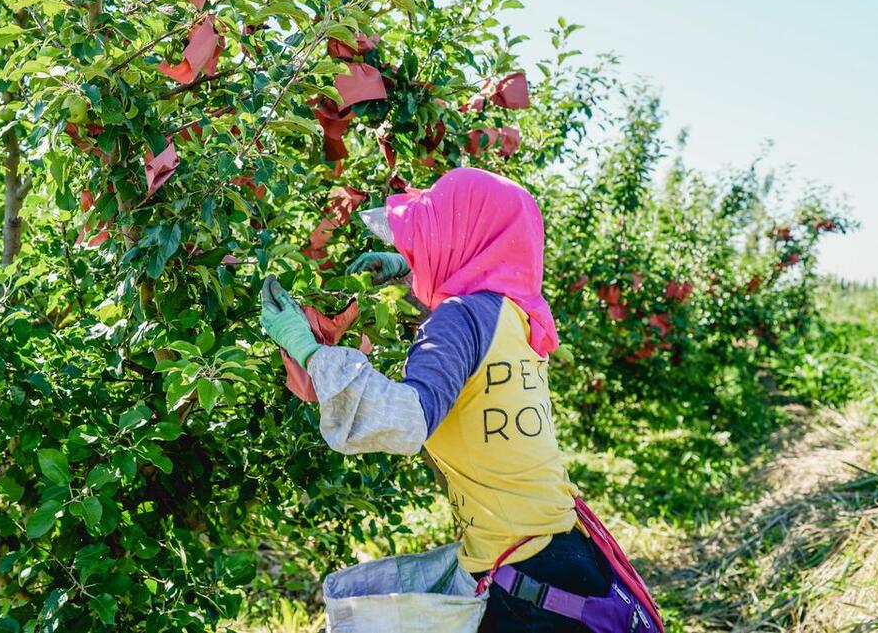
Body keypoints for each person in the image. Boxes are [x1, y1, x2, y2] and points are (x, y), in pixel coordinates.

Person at [260, 167, 660, 633]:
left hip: (530, 582)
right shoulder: (513, 315)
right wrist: (406, 278)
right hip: (558, 551)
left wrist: (310, 353)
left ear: (460, 238)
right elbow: (468, 353)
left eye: (424, 238)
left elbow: (408, 419)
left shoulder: (460, 317)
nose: (414, 247)